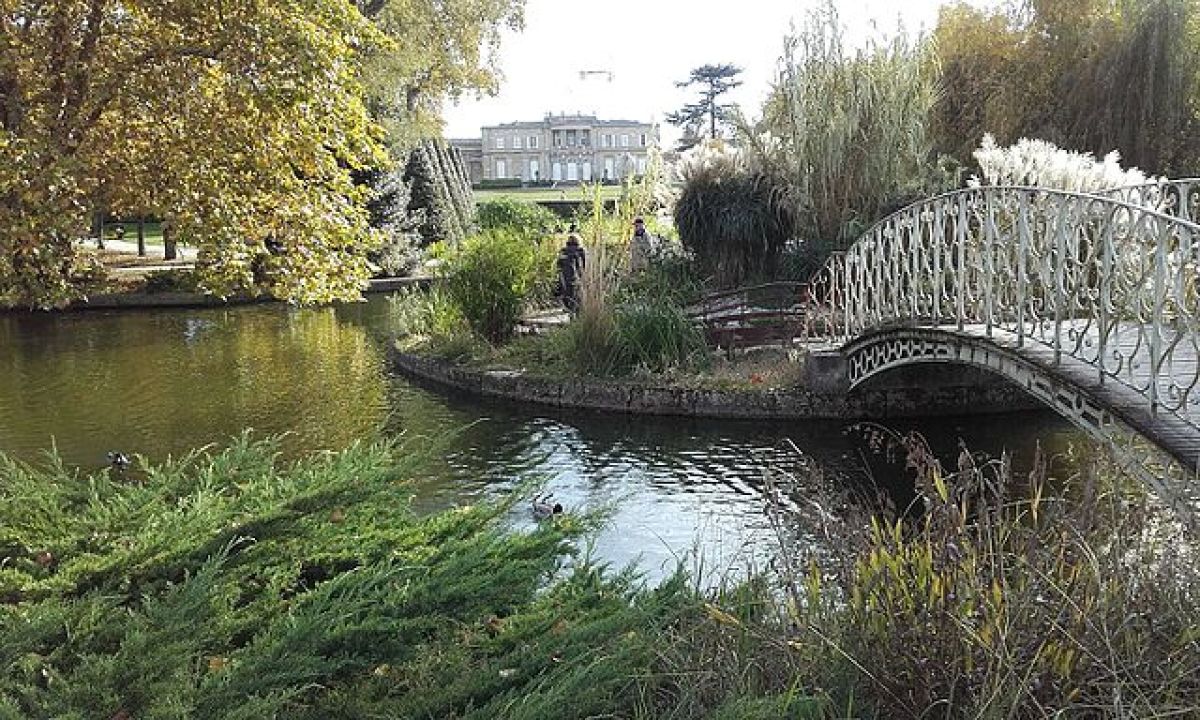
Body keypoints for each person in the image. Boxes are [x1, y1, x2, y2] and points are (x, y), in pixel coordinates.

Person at [556, 225, 586, 314]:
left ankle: (567, 307)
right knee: (576, 293)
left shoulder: (563, 251)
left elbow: (559, 264)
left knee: (565, 291)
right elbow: (584, 264)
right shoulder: (581, 251)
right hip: (577, 275)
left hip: (564, 275)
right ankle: (576, 309)